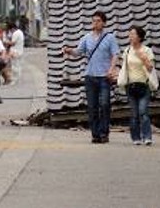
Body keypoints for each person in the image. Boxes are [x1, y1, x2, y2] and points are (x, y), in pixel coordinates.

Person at [63, 11, 119, 144]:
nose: (95, 23)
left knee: (105, 104)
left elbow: (115, 54)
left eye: (98, 20)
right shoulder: (86, 38)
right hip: (90, 76)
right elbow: (78, 52)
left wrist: (111, 69)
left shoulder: (109, 38)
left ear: (104, 23)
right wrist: (69, 50)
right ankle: (95, 134)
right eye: (93, 20)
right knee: (92, 107)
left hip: (104, 77)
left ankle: (104, 133)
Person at [123, 26, 155, 146]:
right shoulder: (127, 51)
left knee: (143, 112)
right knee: (134, 114)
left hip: (144, 86)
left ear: (140, 37)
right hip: (131, 86)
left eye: (133, 34)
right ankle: (135, 138)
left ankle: (147, 137)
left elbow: (150, 68)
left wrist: (144, 58)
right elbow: (125, 68)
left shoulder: (147, 50)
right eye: (129, 34)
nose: (130, 36)